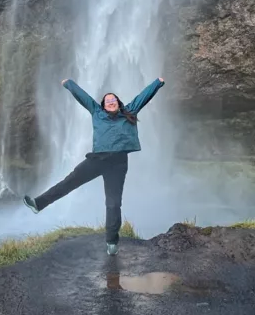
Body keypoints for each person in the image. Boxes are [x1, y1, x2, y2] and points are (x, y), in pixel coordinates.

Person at [23, 77, 165, 256]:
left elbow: (143, 96)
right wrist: (69, 84)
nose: (111, 102)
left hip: (118, 164)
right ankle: (38, 204)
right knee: (69, 182)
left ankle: (112, 242)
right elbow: (84, 98)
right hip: (96, 160)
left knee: (113, 204)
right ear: (103, 105)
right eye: (108, 100)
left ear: (119, 104)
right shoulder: (97, 112)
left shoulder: (129, 111)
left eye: (114, 100)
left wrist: (158, 82)